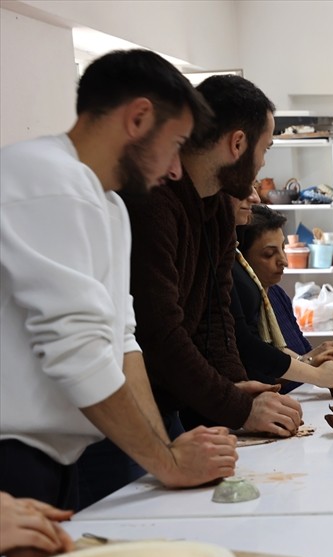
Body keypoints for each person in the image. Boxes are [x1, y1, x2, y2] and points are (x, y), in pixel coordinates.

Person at [0, 49, 237, 513]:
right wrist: (167, 462)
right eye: (176, 144)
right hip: (12, 455)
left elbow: (123, 341)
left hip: (56, 457)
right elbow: (78, 350)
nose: (176, 169)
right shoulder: (46, 177)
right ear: (139, 118)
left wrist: (164, 454)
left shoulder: (108, 203)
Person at [123, 75, 303, 437]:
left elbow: (217, 315)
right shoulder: (152, 204)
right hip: (124, 410)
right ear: (238, 143)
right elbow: (159, 332)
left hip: (171, 401)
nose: (262, 165)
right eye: (265, 149)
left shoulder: (219, 207)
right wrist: (236, 407)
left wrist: (238, 388)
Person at [229, 195, 333, 393]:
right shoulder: (240, 303)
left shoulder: (277, 296)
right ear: (242, 261)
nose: (284, 261)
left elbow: (300, 355)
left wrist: (318, 356)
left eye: (283, 249)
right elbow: (261, 370)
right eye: (269, 254)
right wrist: (314, 369)